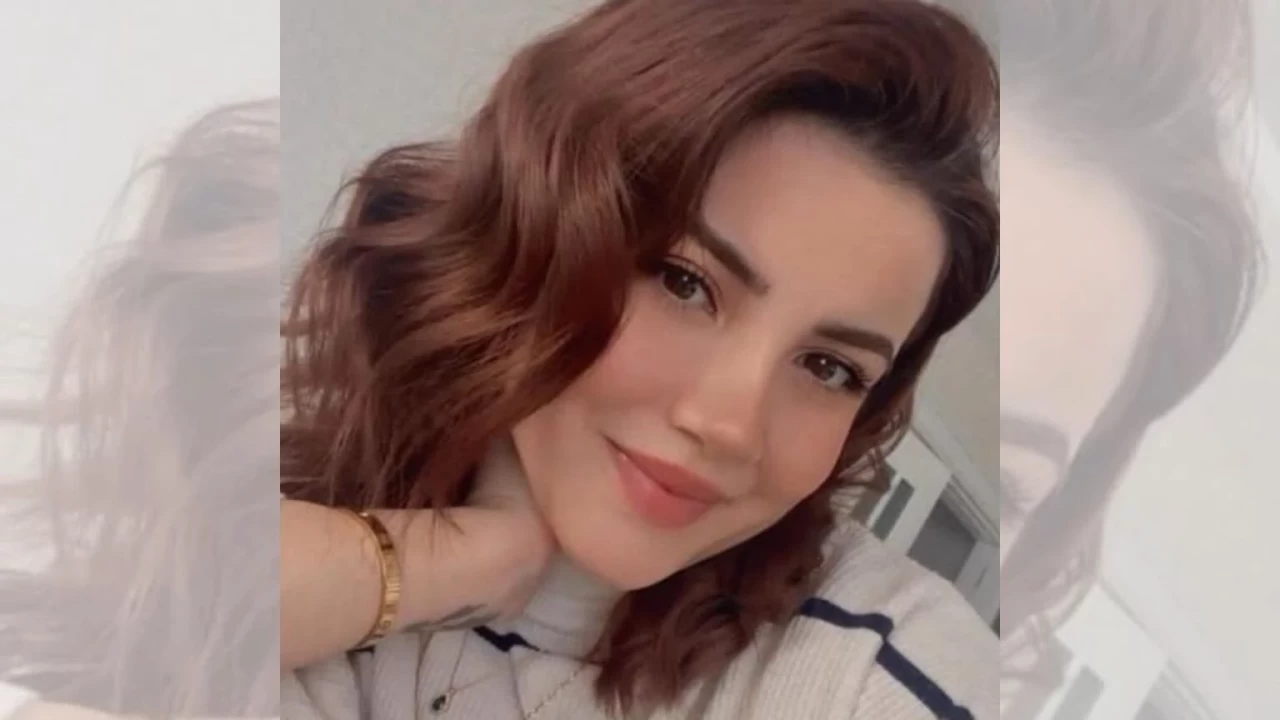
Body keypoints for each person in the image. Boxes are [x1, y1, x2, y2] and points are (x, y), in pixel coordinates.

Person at [281, 0, 999, 718]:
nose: (730, 426)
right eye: (685, 283)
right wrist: (455, 561)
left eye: (829, 368)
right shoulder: (285, 476)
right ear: (535, 223)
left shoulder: (882, 663)